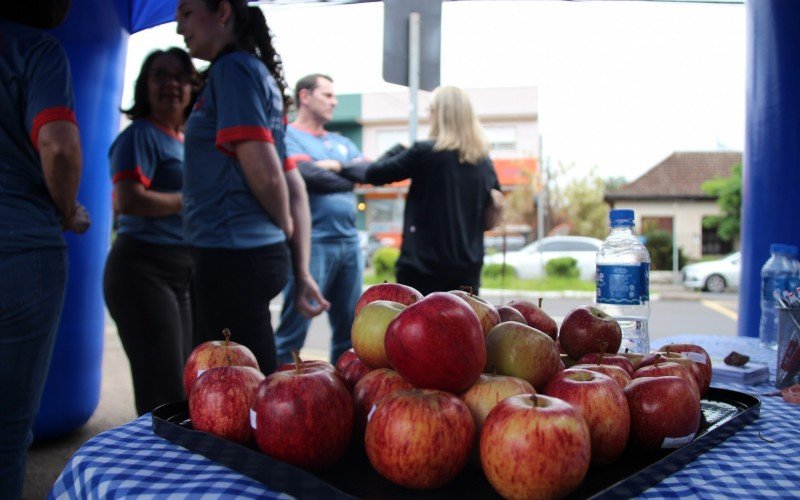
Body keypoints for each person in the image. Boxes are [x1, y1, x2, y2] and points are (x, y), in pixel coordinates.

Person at [176, 0, 328, 375]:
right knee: (246, 375)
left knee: (233, 382)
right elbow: (291, 180)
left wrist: (285, 226)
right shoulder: (252, 74)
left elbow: (265, 171)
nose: (180, 27)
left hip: (231, 255)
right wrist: (300, 265)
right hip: (244, 254)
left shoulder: (232, 71)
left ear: (222, 12)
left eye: (187, 13)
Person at [0, 2, 91, 498]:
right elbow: (59, 145)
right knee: (7, 431)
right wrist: (68, 209)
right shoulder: (35, 50)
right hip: (18, 252)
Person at [103, 48, 198, 416]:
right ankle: (160, 468)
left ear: (192, 86)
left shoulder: (186, 140)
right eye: (159, 75)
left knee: (182, 379)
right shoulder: (139, 135)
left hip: (181, 268)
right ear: (145, 86)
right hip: (142, 267)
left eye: (179, 76)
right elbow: (127, 199)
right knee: (162, 387)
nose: (170, 84)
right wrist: (187, 201)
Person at [365, 86, 503, 296]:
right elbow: (491, 210)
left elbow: (374, 174)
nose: (428, 116)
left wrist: (399, 148)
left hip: (421, 270)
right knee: (464, 327)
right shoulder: (483, 161)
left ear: (440, 115)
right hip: (467, 269)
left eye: (431, 111)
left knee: (416, 328)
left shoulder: (424, 152)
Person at [274, 74, 371, 365]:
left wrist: (335, 167)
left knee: (349, 335)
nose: (334, 101)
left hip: (349, 243)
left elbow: (367, 171)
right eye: (327, 95)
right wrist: (346, 174)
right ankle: (274, 396)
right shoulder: (287, 135)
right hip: (312, 243)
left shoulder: (340, 142)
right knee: (293, 333)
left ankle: (340, 396)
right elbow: (305, 176)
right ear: (305, 96)